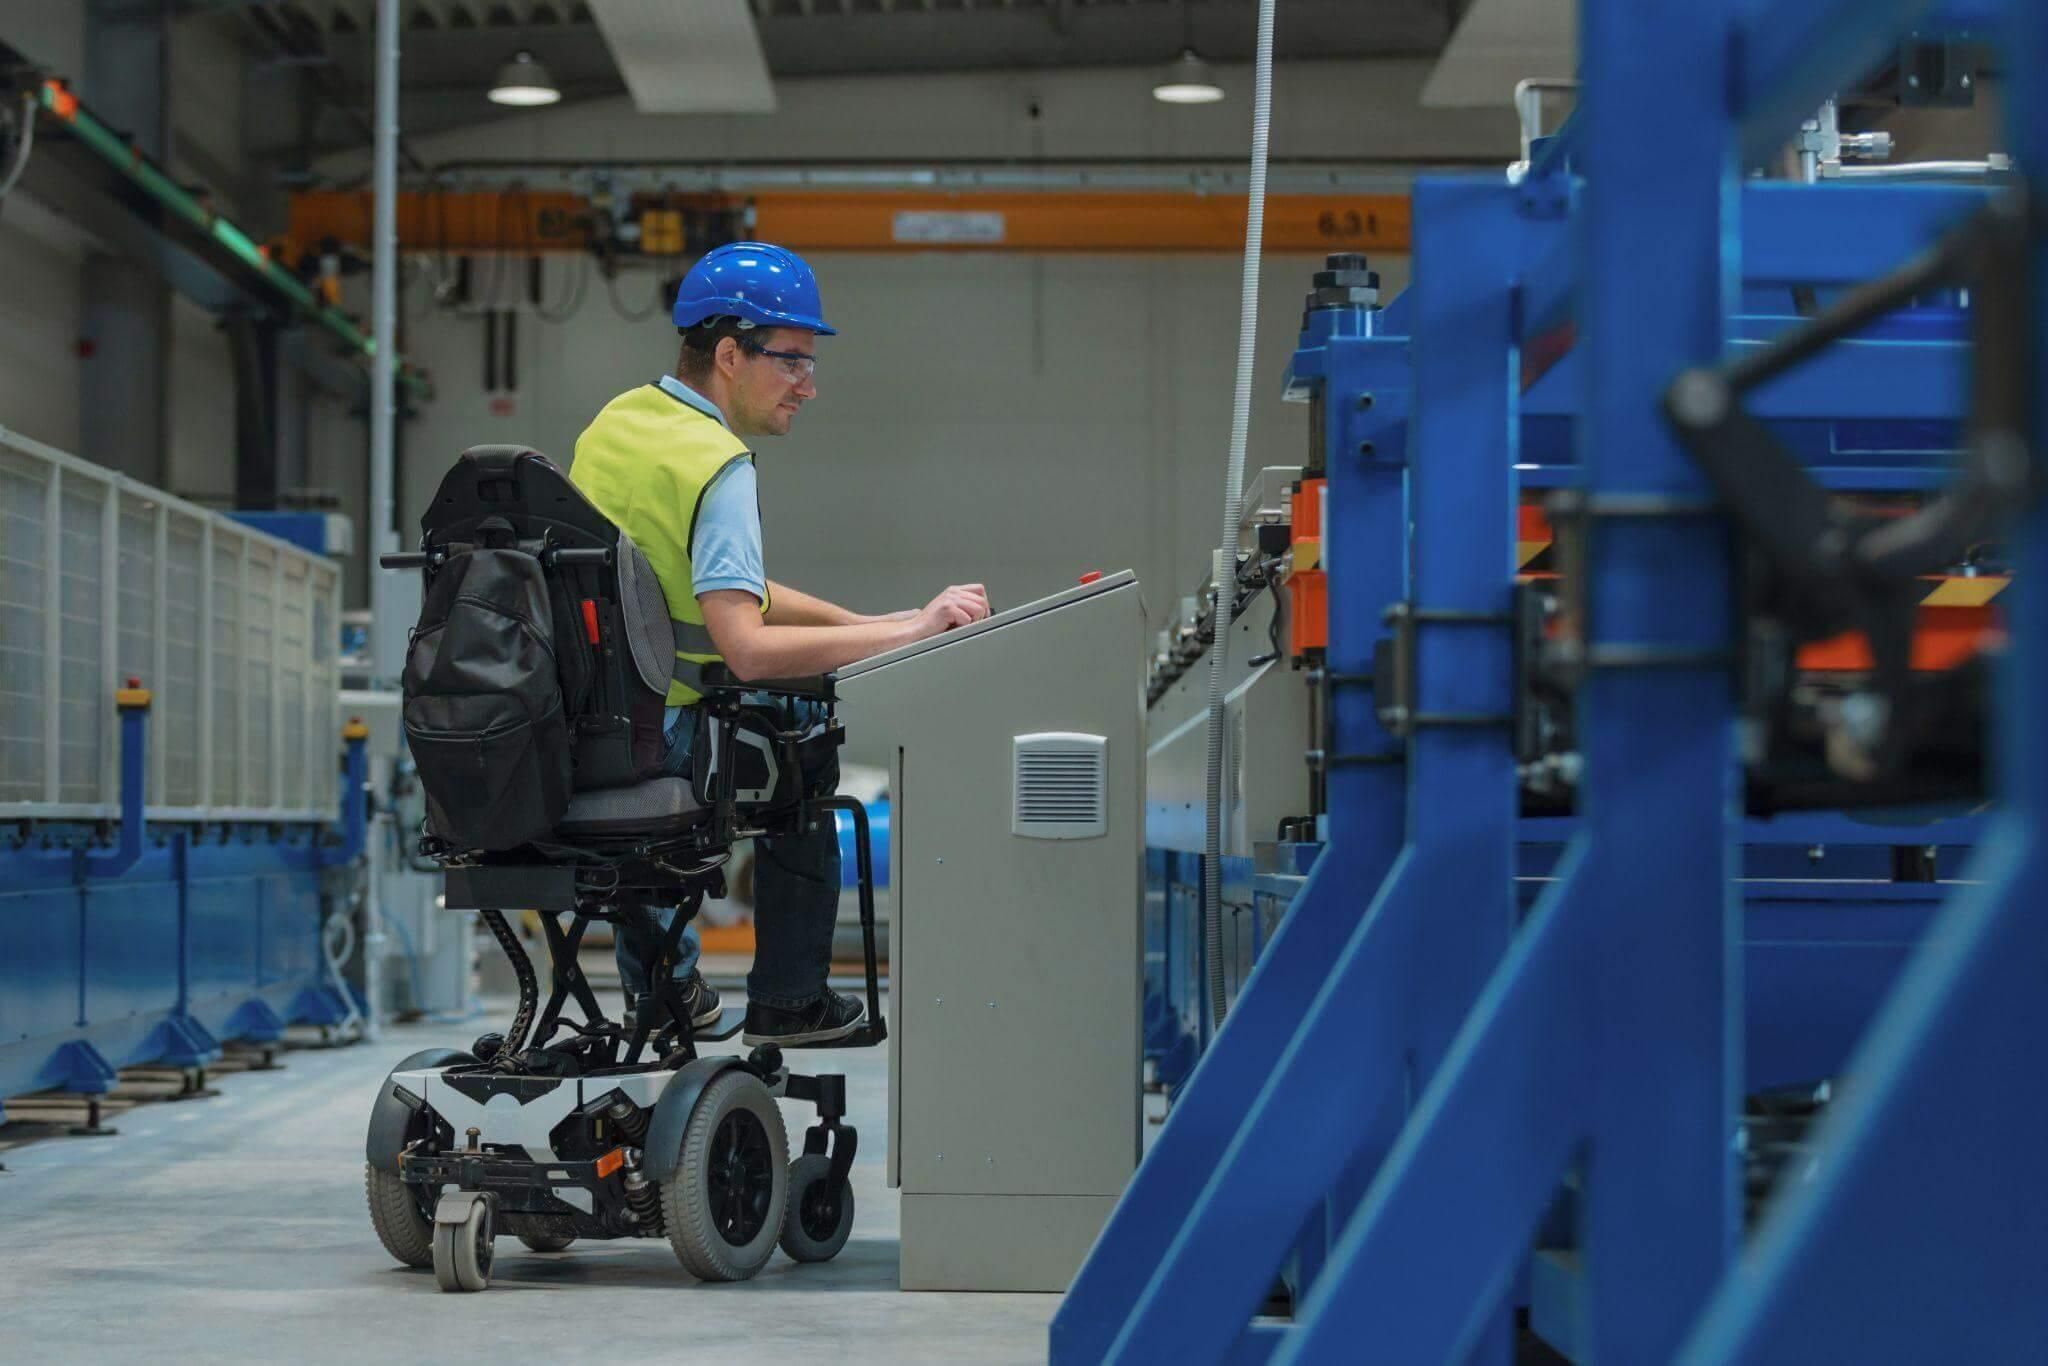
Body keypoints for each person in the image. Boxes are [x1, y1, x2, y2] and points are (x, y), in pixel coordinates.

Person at [568, 241, 989, 1046]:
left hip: (586, 729)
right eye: (791, 360)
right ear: (730, 355)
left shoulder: (616, 426)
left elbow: (715, 584)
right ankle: (790, 1000)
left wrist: (867, 623)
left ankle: (664, 985)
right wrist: (910, 633)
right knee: (800, 734)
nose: (808, 384)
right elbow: (748, 650)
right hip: (664, 736)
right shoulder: (718, 463)